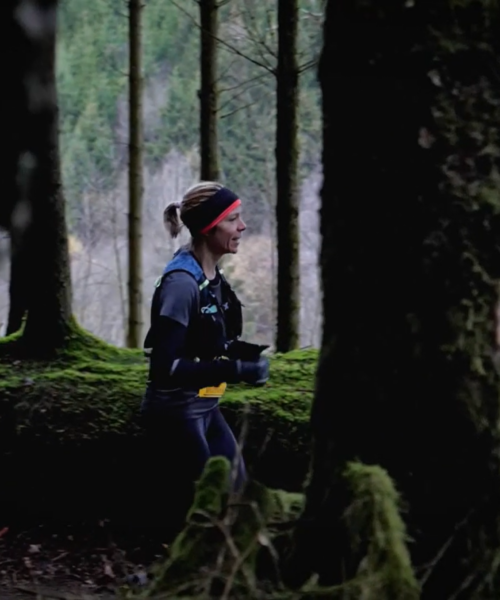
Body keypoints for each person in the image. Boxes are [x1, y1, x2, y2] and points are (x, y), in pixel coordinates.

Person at [140, 181, 270, 534]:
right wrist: (235, 370)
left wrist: (242, 355)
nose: (242, 227)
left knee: (239, 500)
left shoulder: (212, 275)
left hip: (206, 408)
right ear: (210, 227)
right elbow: (165, 367)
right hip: (176, 413)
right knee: (211, 514)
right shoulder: (182, 284)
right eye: (234, 220)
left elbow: (204, 341)